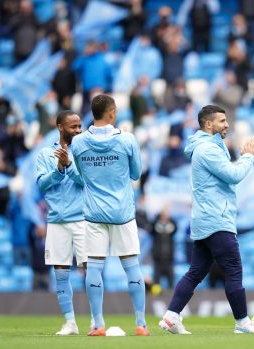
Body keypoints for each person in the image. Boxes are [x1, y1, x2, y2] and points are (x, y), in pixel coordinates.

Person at [159, 105, 254, 335]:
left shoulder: (209, 147)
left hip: (206, 219)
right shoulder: (207, 150)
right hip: (217, 219)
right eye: (221, 121)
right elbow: (234, 175)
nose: (226, 124)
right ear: (208, 124)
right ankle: (242, 323)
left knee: (196, 272)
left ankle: (171, 316)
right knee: (233, 270)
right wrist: (248, 155)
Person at [71, 94, 149, 336]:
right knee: (132, 267)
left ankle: (98, 324)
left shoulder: (79, 143)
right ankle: (140, 324)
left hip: (94, 213)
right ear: (113, 112)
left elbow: (79, 176)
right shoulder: (127, 140)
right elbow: (136, 174)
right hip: (122, 213)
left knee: (93, 268)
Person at [36, 110, 85, 335]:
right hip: (56, 220)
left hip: (83, 218)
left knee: (91, 268)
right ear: (59, 127)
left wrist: (69, 166)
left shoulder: (85, 151)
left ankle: (97, 321)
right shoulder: (45, 154)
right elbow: (41, 185)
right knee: (61, 272)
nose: (78, 130)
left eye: (79, 126)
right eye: (73, 126)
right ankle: (70, 322)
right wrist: (58, 169)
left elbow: (86, 181)